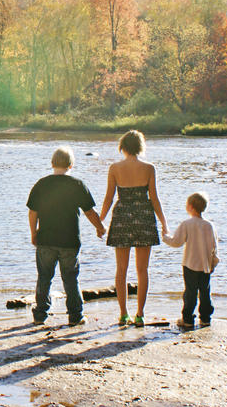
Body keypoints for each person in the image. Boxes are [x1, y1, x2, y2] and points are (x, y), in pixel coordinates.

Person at [26, 146, 106, 326]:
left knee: (44, 277)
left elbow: (33, 212)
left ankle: (40, 314)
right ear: (71, 165)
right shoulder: (77, 185)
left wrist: (33, 233)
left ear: (52, 163)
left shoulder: (42, 184)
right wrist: (100, 228)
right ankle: (76, 315)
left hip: (46, 239)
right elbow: (89, 212)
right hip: (70, 241)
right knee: (70, 278)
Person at [100, 130, 167, 327]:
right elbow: (154, 198)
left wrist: (100, 221)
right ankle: (140, 314)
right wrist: (164, 222)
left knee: (121, 269)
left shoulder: (114, 168)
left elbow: (109, 198)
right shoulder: (149, 168)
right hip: (144, 216)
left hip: (122, 217)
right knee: (142, 270)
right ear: (140, 147)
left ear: (123, 147)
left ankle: (123, 314)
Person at [162, 192, 219, 328]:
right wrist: (213, 263)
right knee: (205, 292)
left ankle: (187, 318)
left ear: (191, 207)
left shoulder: (187, 224)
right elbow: (214, 247)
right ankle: (205, 317)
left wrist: (165, 237)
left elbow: (177, 242)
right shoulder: (209, 225)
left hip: (190, 264)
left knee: (190, 292)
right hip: (205, 264)